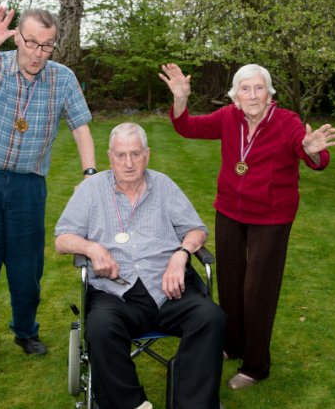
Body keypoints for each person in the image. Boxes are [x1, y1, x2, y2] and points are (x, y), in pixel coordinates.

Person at [159, 63, 335, 390]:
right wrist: (181, 100)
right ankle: (233, 344)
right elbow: (187, 127)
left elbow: (310, 152)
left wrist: (313, 152)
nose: (253, 95)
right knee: (231, 282)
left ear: (270, 95)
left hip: (270, 218)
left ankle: (256, 365)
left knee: (258, 290)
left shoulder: (287, 122)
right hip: (229, 211)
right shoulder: (228, 117)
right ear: (235, 96)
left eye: (259, 89)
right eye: (245, 89)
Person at [0, 6, 96, 373]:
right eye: (31, 43)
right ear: (17, 37)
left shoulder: (63, 78)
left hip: (28, 187)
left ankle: (25, 331)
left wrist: (91, 172)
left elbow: (80, 126)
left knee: (26, 270)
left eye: (47, 46)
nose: (38, 53)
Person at [55, 122, 226, 409]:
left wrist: (181, 254)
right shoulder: (92, 190)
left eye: (135, 154)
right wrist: (92, 247)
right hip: (116, 292)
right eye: (121, 155)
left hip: (170, 286)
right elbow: (62, 238)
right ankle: (132, 405)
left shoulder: (164, 185)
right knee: (99, 327)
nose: (129, 163)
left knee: (211, 317)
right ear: (110, 157)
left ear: (147, 154)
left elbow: (197, 230)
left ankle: (191, 404)